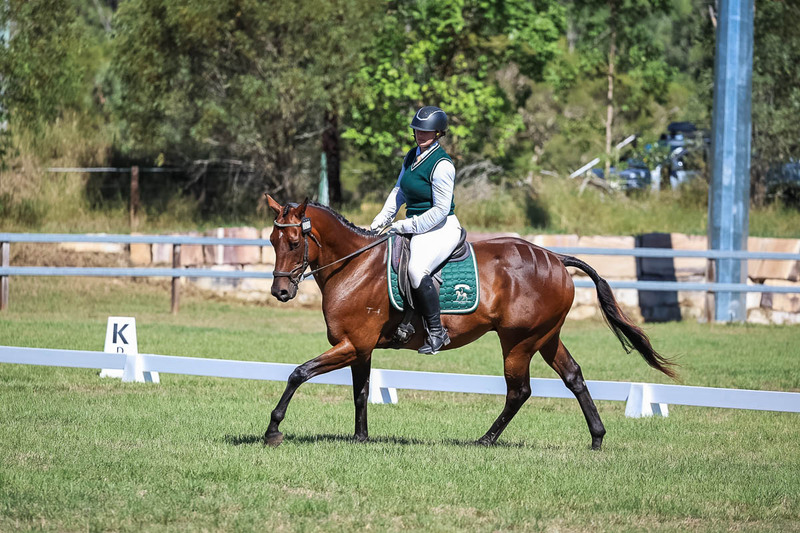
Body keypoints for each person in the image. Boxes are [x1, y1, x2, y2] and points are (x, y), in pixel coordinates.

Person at [370, 106, 462, 355]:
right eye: (417, 130)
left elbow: (441, 210)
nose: (421, 134)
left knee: (415, 269)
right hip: (418, 226)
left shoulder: (442, 165)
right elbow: (399, 190)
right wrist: (381, 219)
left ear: (438, 133)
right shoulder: (411, 156)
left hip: (441, 227)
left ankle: (436, 332)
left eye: (427, 131)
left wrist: (406, 225)